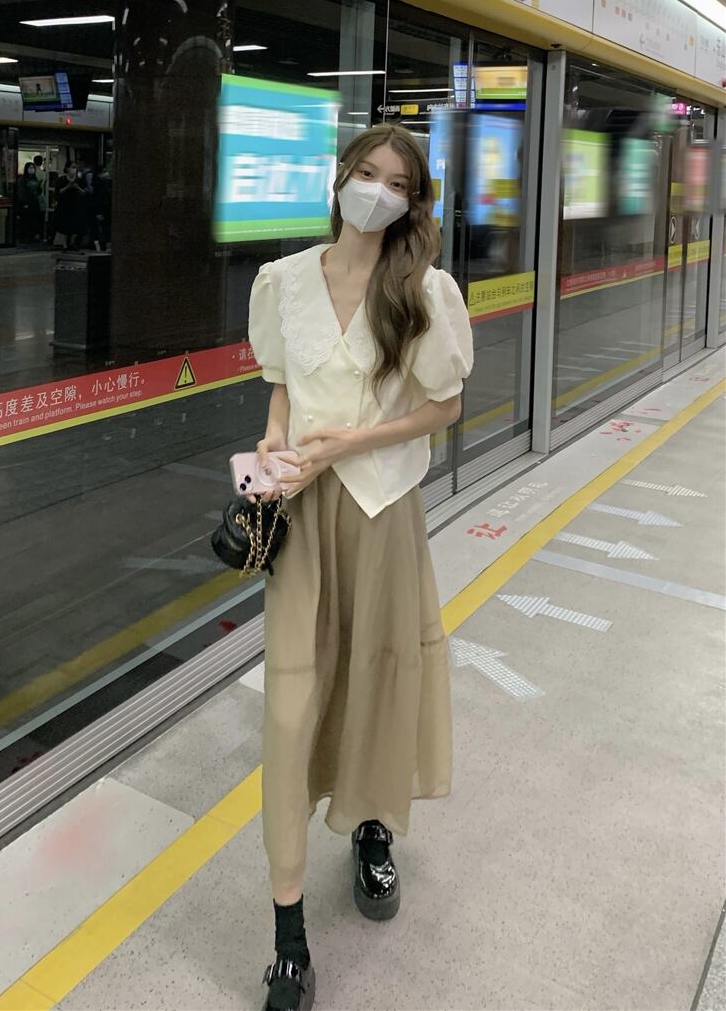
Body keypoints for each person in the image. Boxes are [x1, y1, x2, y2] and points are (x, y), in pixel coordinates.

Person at [248, 123, 474, 1011]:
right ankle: (288, 933)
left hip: (381, 509)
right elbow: (281, 387)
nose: (377, 192)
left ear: (413, 203)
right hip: (300, 513)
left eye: (398, 184)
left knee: (378, 674)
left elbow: (444, 404)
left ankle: (371, 827)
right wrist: (274, 441)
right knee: (291, 701)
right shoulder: (283, 281)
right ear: (340, 177)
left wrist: (352, 441)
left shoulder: (421, 289)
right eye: (367, 173)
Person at [53, 160, 86, 250]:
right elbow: (58, 192)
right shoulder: (61, 180)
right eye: (72, 167)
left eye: (75, 168)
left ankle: (72, 242)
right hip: (64, 205)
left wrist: (77, 187)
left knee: (76, 224)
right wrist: (68, 187)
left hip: (76, 205)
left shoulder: (79, 180)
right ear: (67, 168)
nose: (74, 170)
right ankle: (65, 245)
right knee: (64, 225)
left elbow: (84, 192)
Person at [15, 161, 42, 243]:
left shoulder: (35, 179)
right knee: (26, 221)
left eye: (33, 168)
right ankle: (24, 237)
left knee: (34, 221)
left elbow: (39, 192)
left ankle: (32, 236)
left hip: (34, 204)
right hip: (26, 204)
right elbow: (21, 193)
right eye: (30, 168)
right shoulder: (22, 180)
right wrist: (24, 203)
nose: (32, 169)